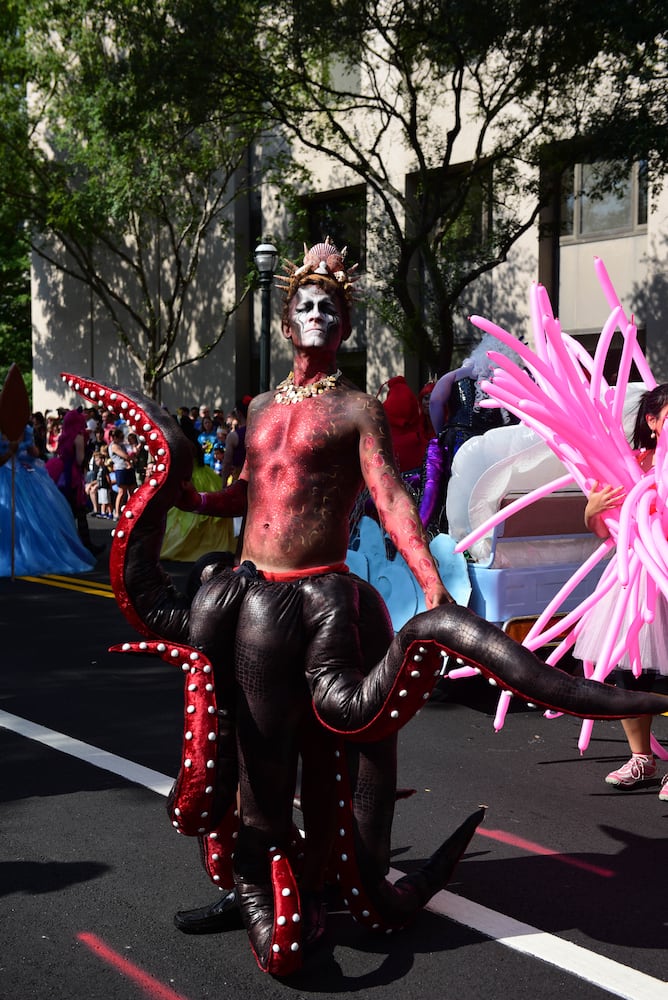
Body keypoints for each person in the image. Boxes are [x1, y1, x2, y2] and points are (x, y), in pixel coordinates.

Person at [171, 238, 453, 941]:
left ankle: (329, 881)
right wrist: (191, 501)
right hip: (246, 595)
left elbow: (389, 497)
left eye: (332, 307)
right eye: (307, 306)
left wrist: (433, 587)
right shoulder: (261, 405)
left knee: (329, 748)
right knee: (242, 749)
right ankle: (250, 885)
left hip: (321, 597)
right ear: (288, 323)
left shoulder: (357, 409)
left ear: (346, 326)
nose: (320, 315)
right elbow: (249, 493)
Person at [572, 383, 668, 799]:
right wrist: (592, 510)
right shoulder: (629, 465)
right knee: (631, 672)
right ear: (652, 421)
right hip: (636, 581)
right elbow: (604, 530)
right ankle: (642, 758)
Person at [1, 423, 96, 576]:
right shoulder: (15, 429)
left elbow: (34, 452)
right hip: (13, 476)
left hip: (18, 474)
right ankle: (22, 552)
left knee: (27, 517)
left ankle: (25, 552)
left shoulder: (20, 429)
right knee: (23, 517)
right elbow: (26, 454)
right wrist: (15, 451)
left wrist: (24, 451)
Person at [108, 426, 135, 519]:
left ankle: (131, 510)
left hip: (128, 469)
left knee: (131, 490)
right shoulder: (114, 446)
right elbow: (125, 456)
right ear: (115, 437)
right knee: (122, 491)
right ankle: (117, 512)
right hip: (121, 469)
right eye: (120, 437)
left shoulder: (122, 445)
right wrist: (131, 457)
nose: (122, 438)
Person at [220, 398, 248, 484]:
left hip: (240, 480)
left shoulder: (233, 436)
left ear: (238, 413)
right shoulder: (260, 432)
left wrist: (224, 484)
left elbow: (227, 463)